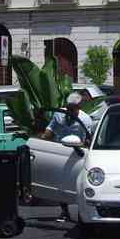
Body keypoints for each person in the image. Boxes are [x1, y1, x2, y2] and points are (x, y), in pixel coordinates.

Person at [42, 93, 93, 222]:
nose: (69, 111)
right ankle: (64, 211)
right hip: (60, 153)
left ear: (79, 107)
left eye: (73, 108)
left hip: (77, 154)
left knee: (77, 184)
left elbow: (88, 140)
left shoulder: (86, 119)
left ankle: (81, 211)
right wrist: (41, 139)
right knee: (60, 183)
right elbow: (50, 129)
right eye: (68, 108)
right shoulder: (59, 114)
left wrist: (79, 144)